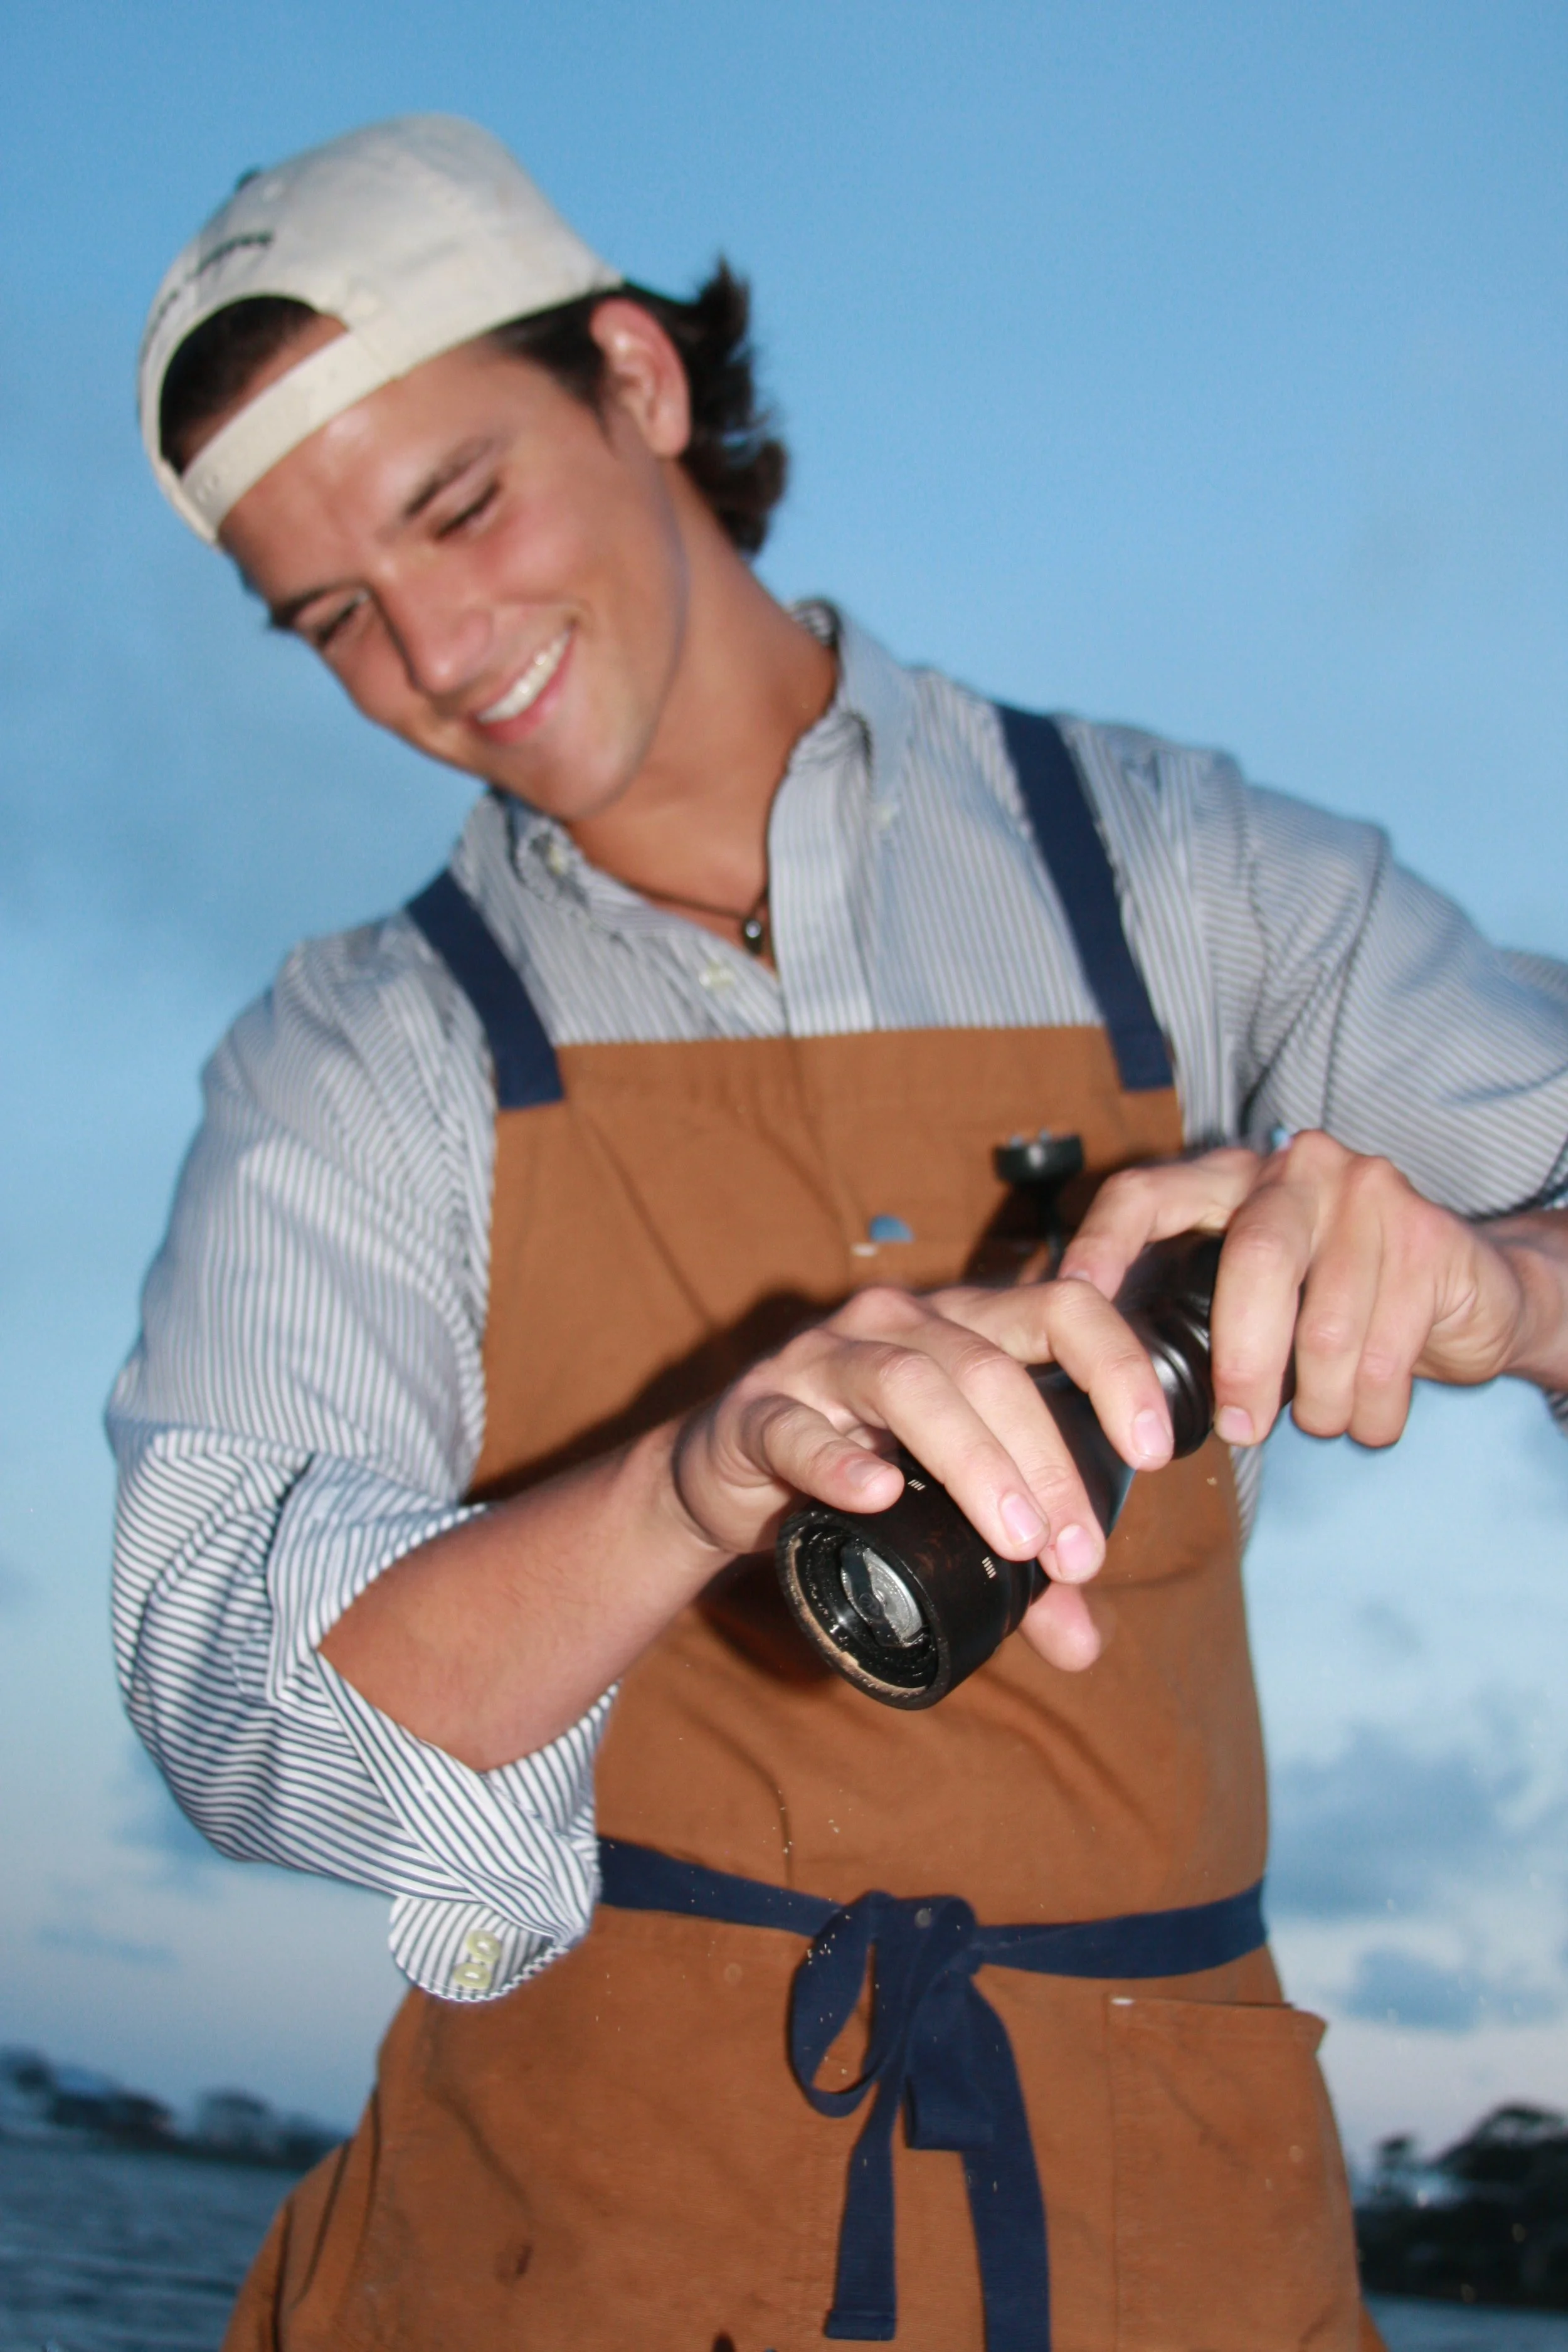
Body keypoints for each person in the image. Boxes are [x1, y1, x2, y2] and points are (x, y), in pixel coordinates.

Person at [113, 114, 1568, 2352]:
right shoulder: (353, 1051)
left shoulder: (1188, 871)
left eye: (460, 502)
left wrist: (1506, 1280)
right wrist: (697, 1471)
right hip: (547, 2252)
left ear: (635, 376)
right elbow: (236, 1701)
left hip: (1166, 2251)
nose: (430, 647)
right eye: (331, 616)